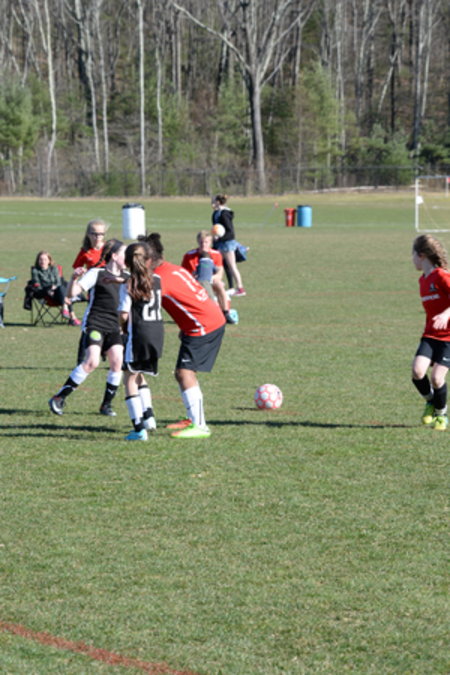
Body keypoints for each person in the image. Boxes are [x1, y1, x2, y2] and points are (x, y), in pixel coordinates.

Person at [143, 232, 226, 439]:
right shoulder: (173, 269)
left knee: (184, 373)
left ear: (148, 260)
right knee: (183, 372)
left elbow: (145, 306)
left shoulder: (159, 279)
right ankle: (192, 418)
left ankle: (200, 426)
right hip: (204, 320)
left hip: (203, 325)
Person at [48, 239, 127, 418]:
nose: (128, 258)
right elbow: (72, 293)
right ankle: (59, 397)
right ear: (115, 256)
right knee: (92, 362)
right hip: (95, 323)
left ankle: (106, 405)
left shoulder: (127, 277)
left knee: (117, 363)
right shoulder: (96, 273)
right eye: (125, 254)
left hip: (115, 326)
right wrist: (74, 278)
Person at [119, 241, 164, 441]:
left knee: (129, 378)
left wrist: (122, 327)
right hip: (157, 334)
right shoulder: (158, 279)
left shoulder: (128, 284)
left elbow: (123, 313)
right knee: (139, 374)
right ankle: (149, 418)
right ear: (148, 260)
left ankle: (138, 429)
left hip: (139, 334)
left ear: (127, 262)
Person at [411, 234, 450, 431]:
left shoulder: (441, 276)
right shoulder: (423, 280)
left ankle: (441, 414)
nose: (412, 259)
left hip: (448, 338)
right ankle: (431, 402)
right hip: (430, 335)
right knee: (417, 371)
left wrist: (446, 313)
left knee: (436, 378)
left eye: (413, 255)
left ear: (422, 255)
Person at [68, 218, 107, 361]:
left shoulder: (109, 249)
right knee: (89, 324)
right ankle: (81, 360)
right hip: (94, 292)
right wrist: (80, 273)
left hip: (111, 291)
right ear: (88, 234)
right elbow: (77, 268)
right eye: (95, 234)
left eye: (101, 234)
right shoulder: (85, 252)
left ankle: (111, 354)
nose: (98, 237)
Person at [181, 230, 238, 324]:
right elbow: (184, 274)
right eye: (201, 242)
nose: (203, 245)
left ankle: (226, 313)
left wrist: (213, 277)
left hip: (210, 281)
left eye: (206, 242)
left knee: (219, 285)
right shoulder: (189, 256)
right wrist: (193, 277)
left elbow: (220, 272)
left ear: (210, 242)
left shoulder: (216, 254)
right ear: (198, 242)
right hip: (195, 283)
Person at [26, 250, 80, 325]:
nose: (43, 261)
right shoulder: (35, 270)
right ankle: (72, 317)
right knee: (65, 295)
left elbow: (58, 282)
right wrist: (50, 288)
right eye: (41, 259)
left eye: (45, 259)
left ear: (49, 261)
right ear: (38, 261)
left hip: (57, 292)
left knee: (61, 287)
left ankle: (65, 309)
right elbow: (37, 284)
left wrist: (54, 287)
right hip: (45, 294)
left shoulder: (54, 269)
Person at [211, 194, 246, 297]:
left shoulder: (224, 213)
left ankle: (240, 288)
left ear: (218, 202)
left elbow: (230, 232)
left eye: (213, 201)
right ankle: (225, 288)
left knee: (232, 266)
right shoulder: (216, 213)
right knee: (218, 266)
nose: (212, 203)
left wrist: (220, 238)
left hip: (227, 244)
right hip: (219, 244)